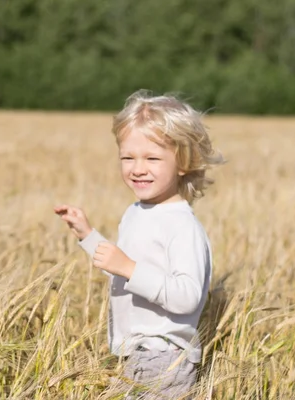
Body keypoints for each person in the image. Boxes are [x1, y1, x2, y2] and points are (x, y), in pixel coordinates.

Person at [54, 90, 224, 399]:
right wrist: (87, 236)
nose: (137, 168)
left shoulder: (182, 225)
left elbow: (186, 296)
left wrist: (129, 268)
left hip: (164, 357)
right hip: (136, 353)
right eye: (128, 157)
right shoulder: (135, 213)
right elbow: (120, 271)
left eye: (152, 158)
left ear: (184, 162)